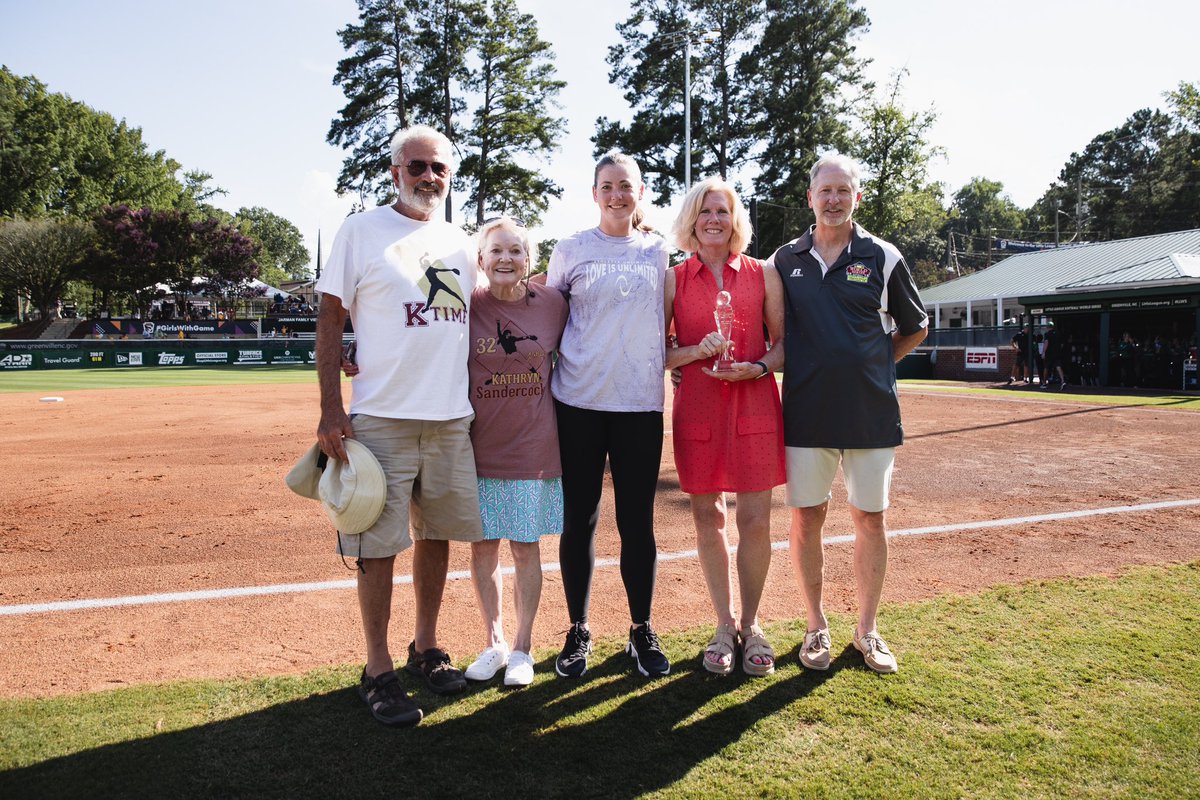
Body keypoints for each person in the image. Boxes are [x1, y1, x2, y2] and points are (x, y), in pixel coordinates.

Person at [315, 124, 482, 727]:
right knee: (378, 546)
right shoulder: (361, 230)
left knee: (437, 536)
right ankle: (377, 668)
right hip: (381, 417)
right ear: (395, 172)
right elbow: (331, 318)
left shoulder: (461, 242)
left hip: (449, 418)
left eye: (439, 168)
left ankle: (425, 647)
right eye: (418, 167)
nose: (429, 178)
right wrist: (332, 409)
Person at [771, 154, 928, 675]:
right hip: (806, 414)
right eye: (825, 191)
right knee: (806, 518)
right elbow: (772, 332)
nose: (834, 199)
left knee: (869, 518)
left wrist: (875, 363)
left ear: (857, 197)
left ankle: (867, 630)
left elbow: (916, 326)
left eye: (844, 190)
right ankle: (815, 626)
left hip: (870, 414)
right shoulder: (783, 261)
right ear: (810, 197)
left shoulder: (882, 255)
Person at [547, 151, 672, 679]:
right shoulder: (570, 249)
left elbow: (672, 322)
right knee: (580, 520)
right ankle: (578, 628)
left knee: (637, 523)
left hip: (639, 404)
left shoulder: (661, 251)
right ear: (593, 192)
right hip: (576, 402)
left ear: (640, 192)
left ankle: (640, 629)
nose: (617, 194)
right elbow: (545, 318)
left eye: (626, 186)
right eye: (607, 186)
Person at [664, 177, 786, 676]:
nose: (714, 219)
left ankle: (752, 625)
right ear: (691, 220)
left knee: (755, 520)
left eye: (723, 211)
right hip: (698, 406)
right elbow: (659, 352)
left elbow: (784, 345)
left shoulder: (764, 273)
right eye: (705, 211)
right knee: (706, 519)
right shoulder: (673, 278)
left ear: (736, 221)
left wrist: (757, 368)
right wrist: (695, 352)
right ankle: (722, 624)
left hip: (754, 402)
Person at [462, 217, 568, 687]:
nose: (506, 259)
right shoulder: (464, 305)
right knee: (482, 551)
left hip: (533, 447)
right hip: (477, 449)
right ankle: (494, 642)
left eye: (516, 251)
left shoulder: (552, 304)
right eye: (496, 251)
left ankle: (523, 649)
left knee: (526, 549)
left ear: (530, 259)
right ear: (481, 260)